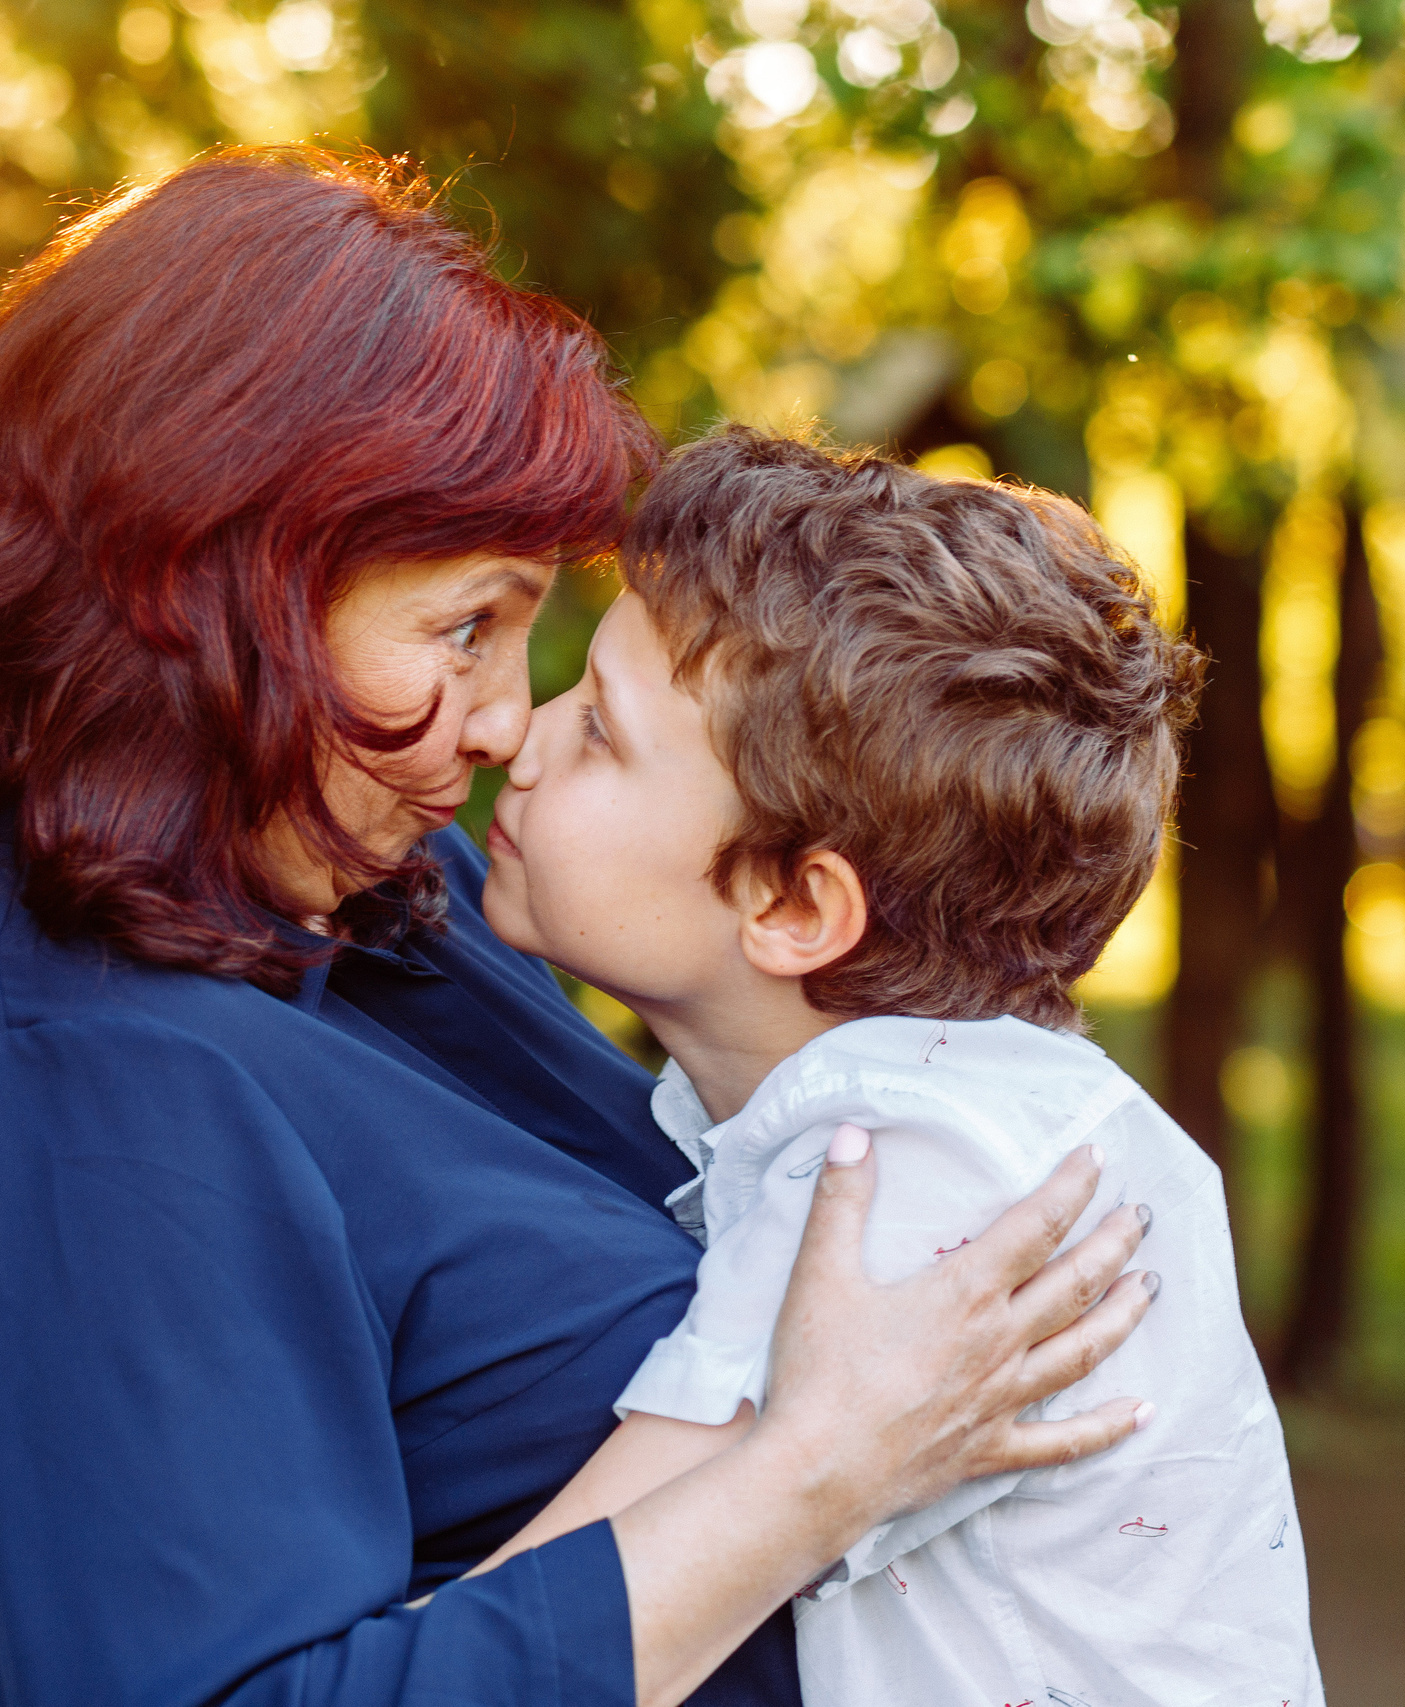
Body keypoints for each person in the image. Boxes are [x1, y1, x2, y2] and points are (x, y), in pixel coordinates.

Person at [0, 149, 1160, 1707]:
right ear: (205, 579)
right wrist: (821, 1469)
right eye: (463, 628)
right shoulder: (74, 1082)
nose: (509, 719)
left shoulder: (354, 902)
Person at [474, 429, 1323, 1706]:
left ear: (794, 904)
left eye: (599, 730)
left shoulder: (908, 1176)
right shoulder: (990, 1111)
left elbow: (565, 1624)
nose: (516, 739)